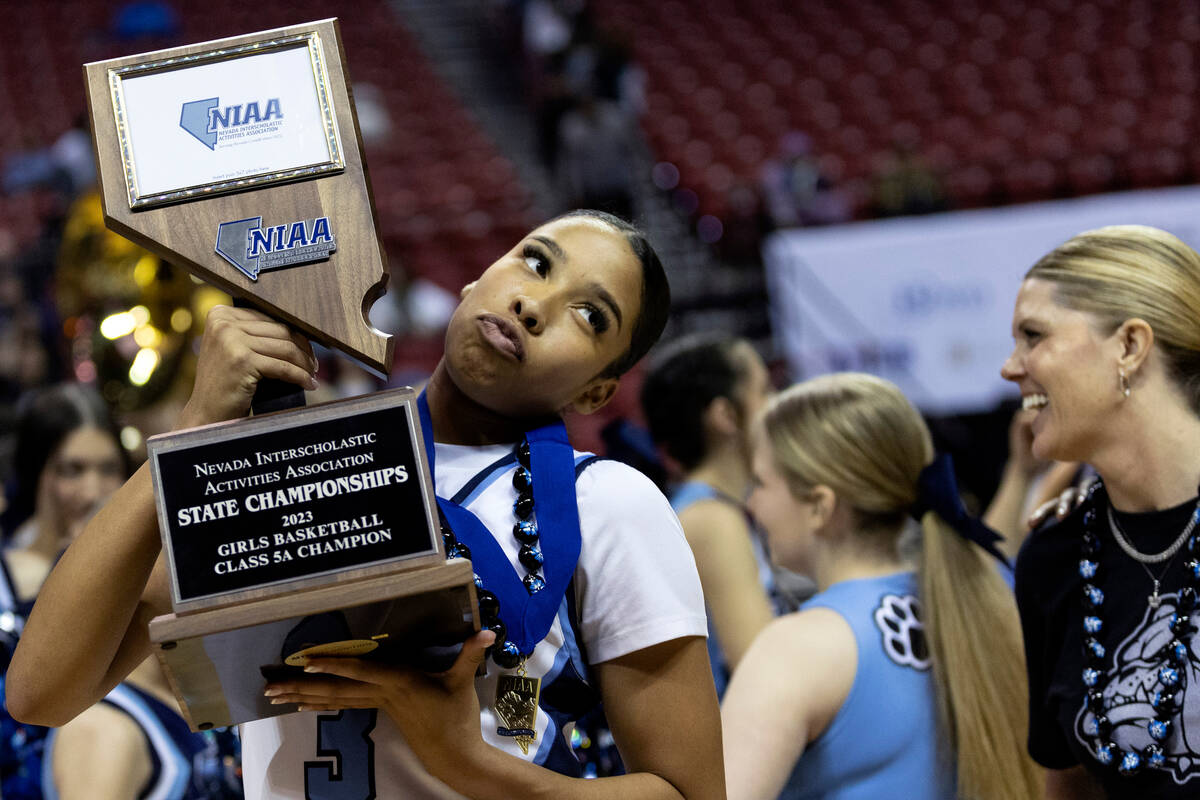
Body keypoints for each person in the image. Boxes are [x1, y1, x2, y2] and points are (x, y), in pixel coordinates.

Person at [8, 210, 725, 799]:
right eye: (535, 262)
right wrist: (193, 433)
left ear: (596, 392)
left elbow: (689, 794)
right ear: (478, 277)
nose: (534, 304)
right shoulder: (293, 462)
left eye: (590, 316)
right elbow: (39, 693)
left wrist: (466, 762)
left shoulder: (609, 503)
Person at [722, 373, 1041, 800]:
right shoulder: (985, 591)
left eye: (760, 482)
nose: (751, 503)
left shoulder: (796, 649)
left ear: (820, 505)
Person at [1002, 225, 1200, 797]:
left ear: (1130, 347)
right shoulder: (1056, 554)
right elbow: (1065, 781)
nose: (1011, 367)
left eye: (1032, 336)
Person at [640, 335, 777, 696]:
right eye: (765, 392)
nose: (777, 406)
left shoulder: (712, 509)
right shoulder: (710, 520)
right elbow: (762, 667)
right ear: (726, 416)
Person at [1, 383, 129, 603]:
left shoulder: (144, 572)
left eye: (109, 469)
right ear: (35, 475)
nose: (92, 493)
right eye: (72, 471)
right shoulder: (5, 583)